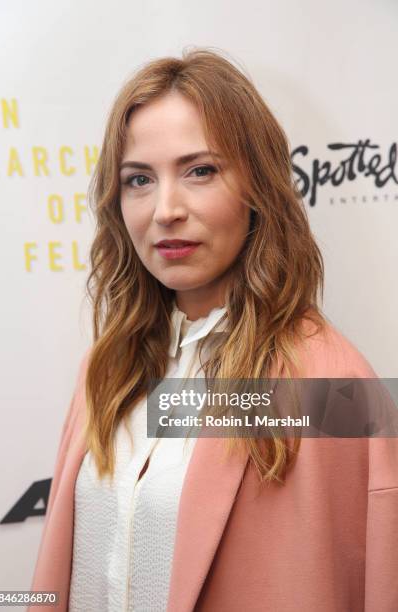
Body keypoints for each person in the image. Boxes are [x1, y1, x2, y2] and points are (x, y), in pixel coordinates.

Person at [29, 47, 398, 612]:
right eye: (138, 179)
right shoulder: (106, 367)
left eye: (200, 170)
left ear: (259, 186)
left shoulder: (332, 385)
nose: (165, 209)